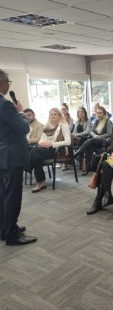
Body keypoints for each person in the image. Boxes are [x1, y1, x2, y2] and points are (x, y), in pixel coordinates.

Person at [0, 69, 37, 245]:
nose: (9, 85)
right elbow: (23, 128)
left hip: (1, 156)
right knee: (12, 195)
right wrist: (21, 113)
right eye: (8, 82)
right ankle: (12, 234)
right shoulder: (5, 105)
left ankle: (4, 228)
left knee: (2, 194)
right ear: (2, 83)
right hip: (11, 156)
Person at [28, 108, 71, 193]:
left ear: (59, 115)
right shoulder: (47, 126)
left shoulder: (64, 125)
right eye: (51, 114)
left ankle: (28, 169)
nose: (53, 116)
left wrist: (52, 144)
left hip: (58, 150)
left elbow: (68, 142)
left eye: (55, 114)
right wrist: (44, 143)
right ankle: (40, 182)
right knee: (36, 157)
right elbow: (40, 140)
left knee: (35, 151)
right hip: (46, 149)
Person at [74, 106, 113, 175]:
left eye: (100, 113)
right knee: (90, 147)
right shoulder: (96, 121)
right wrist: (95, 135)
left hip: (103, 140)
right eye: (97, 113)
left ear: (104, 113)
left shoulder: (108, 121)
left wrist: (100, 136)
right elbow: (91, 131)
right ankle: (88, 168)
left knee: (90, 141)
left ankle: (78, 152)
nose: (99, 114)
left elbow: (109, 133)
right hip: (95, 139)